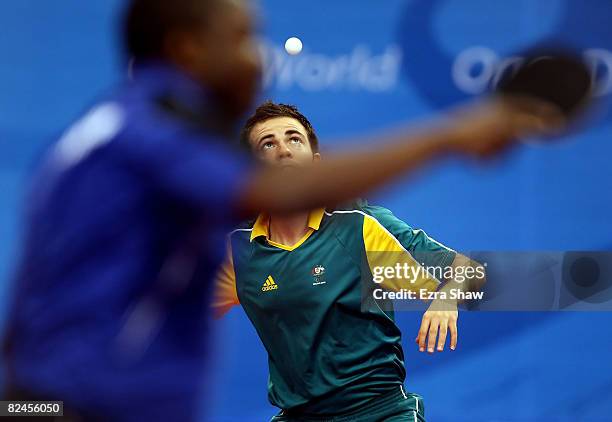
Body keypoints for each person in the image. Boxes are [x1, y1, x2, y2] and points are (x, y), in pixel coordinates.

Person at [1, 0, 563, 420]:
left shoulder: (107, 137)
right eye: (244, 37)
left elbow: (458, 274)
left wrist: (444, 297)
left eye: (294, 140)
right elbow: (268, 196)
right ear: (187, 48)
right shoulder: (158, 143)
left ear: (313, 154)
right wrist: (452, 136)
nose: (258, 56)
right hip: (82, 407)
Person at [213, 101, 488, 422]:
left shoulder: (360, 228)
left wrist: (445, 298)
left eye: (294, 139)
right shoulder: (238, 252)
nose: (283, 150)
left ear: (317, 163)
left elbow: (473, 274)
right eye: (268, 143)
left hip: (380, 412)